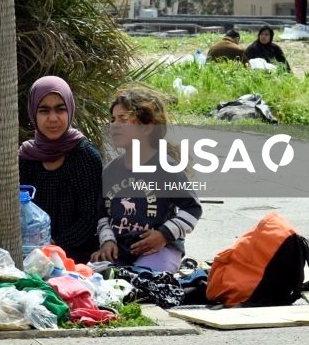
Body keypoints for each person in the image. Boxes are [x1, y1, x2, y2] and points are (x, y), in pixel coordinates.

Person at [91, 85, 202, 272]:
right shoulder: (111, 171)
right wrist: (107, 242)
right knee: (91, 278)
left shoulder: (165, 168)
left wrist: (164, 235)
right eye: (112, 119)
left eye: (123, 119)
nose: (114, 125)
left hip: (159, 250)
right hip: (121, 251)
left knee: (144, 281)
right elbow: (103, 215)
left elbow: (192, 208)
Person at [19, 76, 102, 264]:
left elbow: (89, 218)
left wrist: (53, 247)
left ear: (70, 110)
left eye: (60, 109)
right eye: (44, 110)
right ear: (33, 113)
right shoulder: (25, 158)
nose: (53, 118)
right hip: (31, 255)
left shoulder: (85, 157)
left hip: (77, 257)